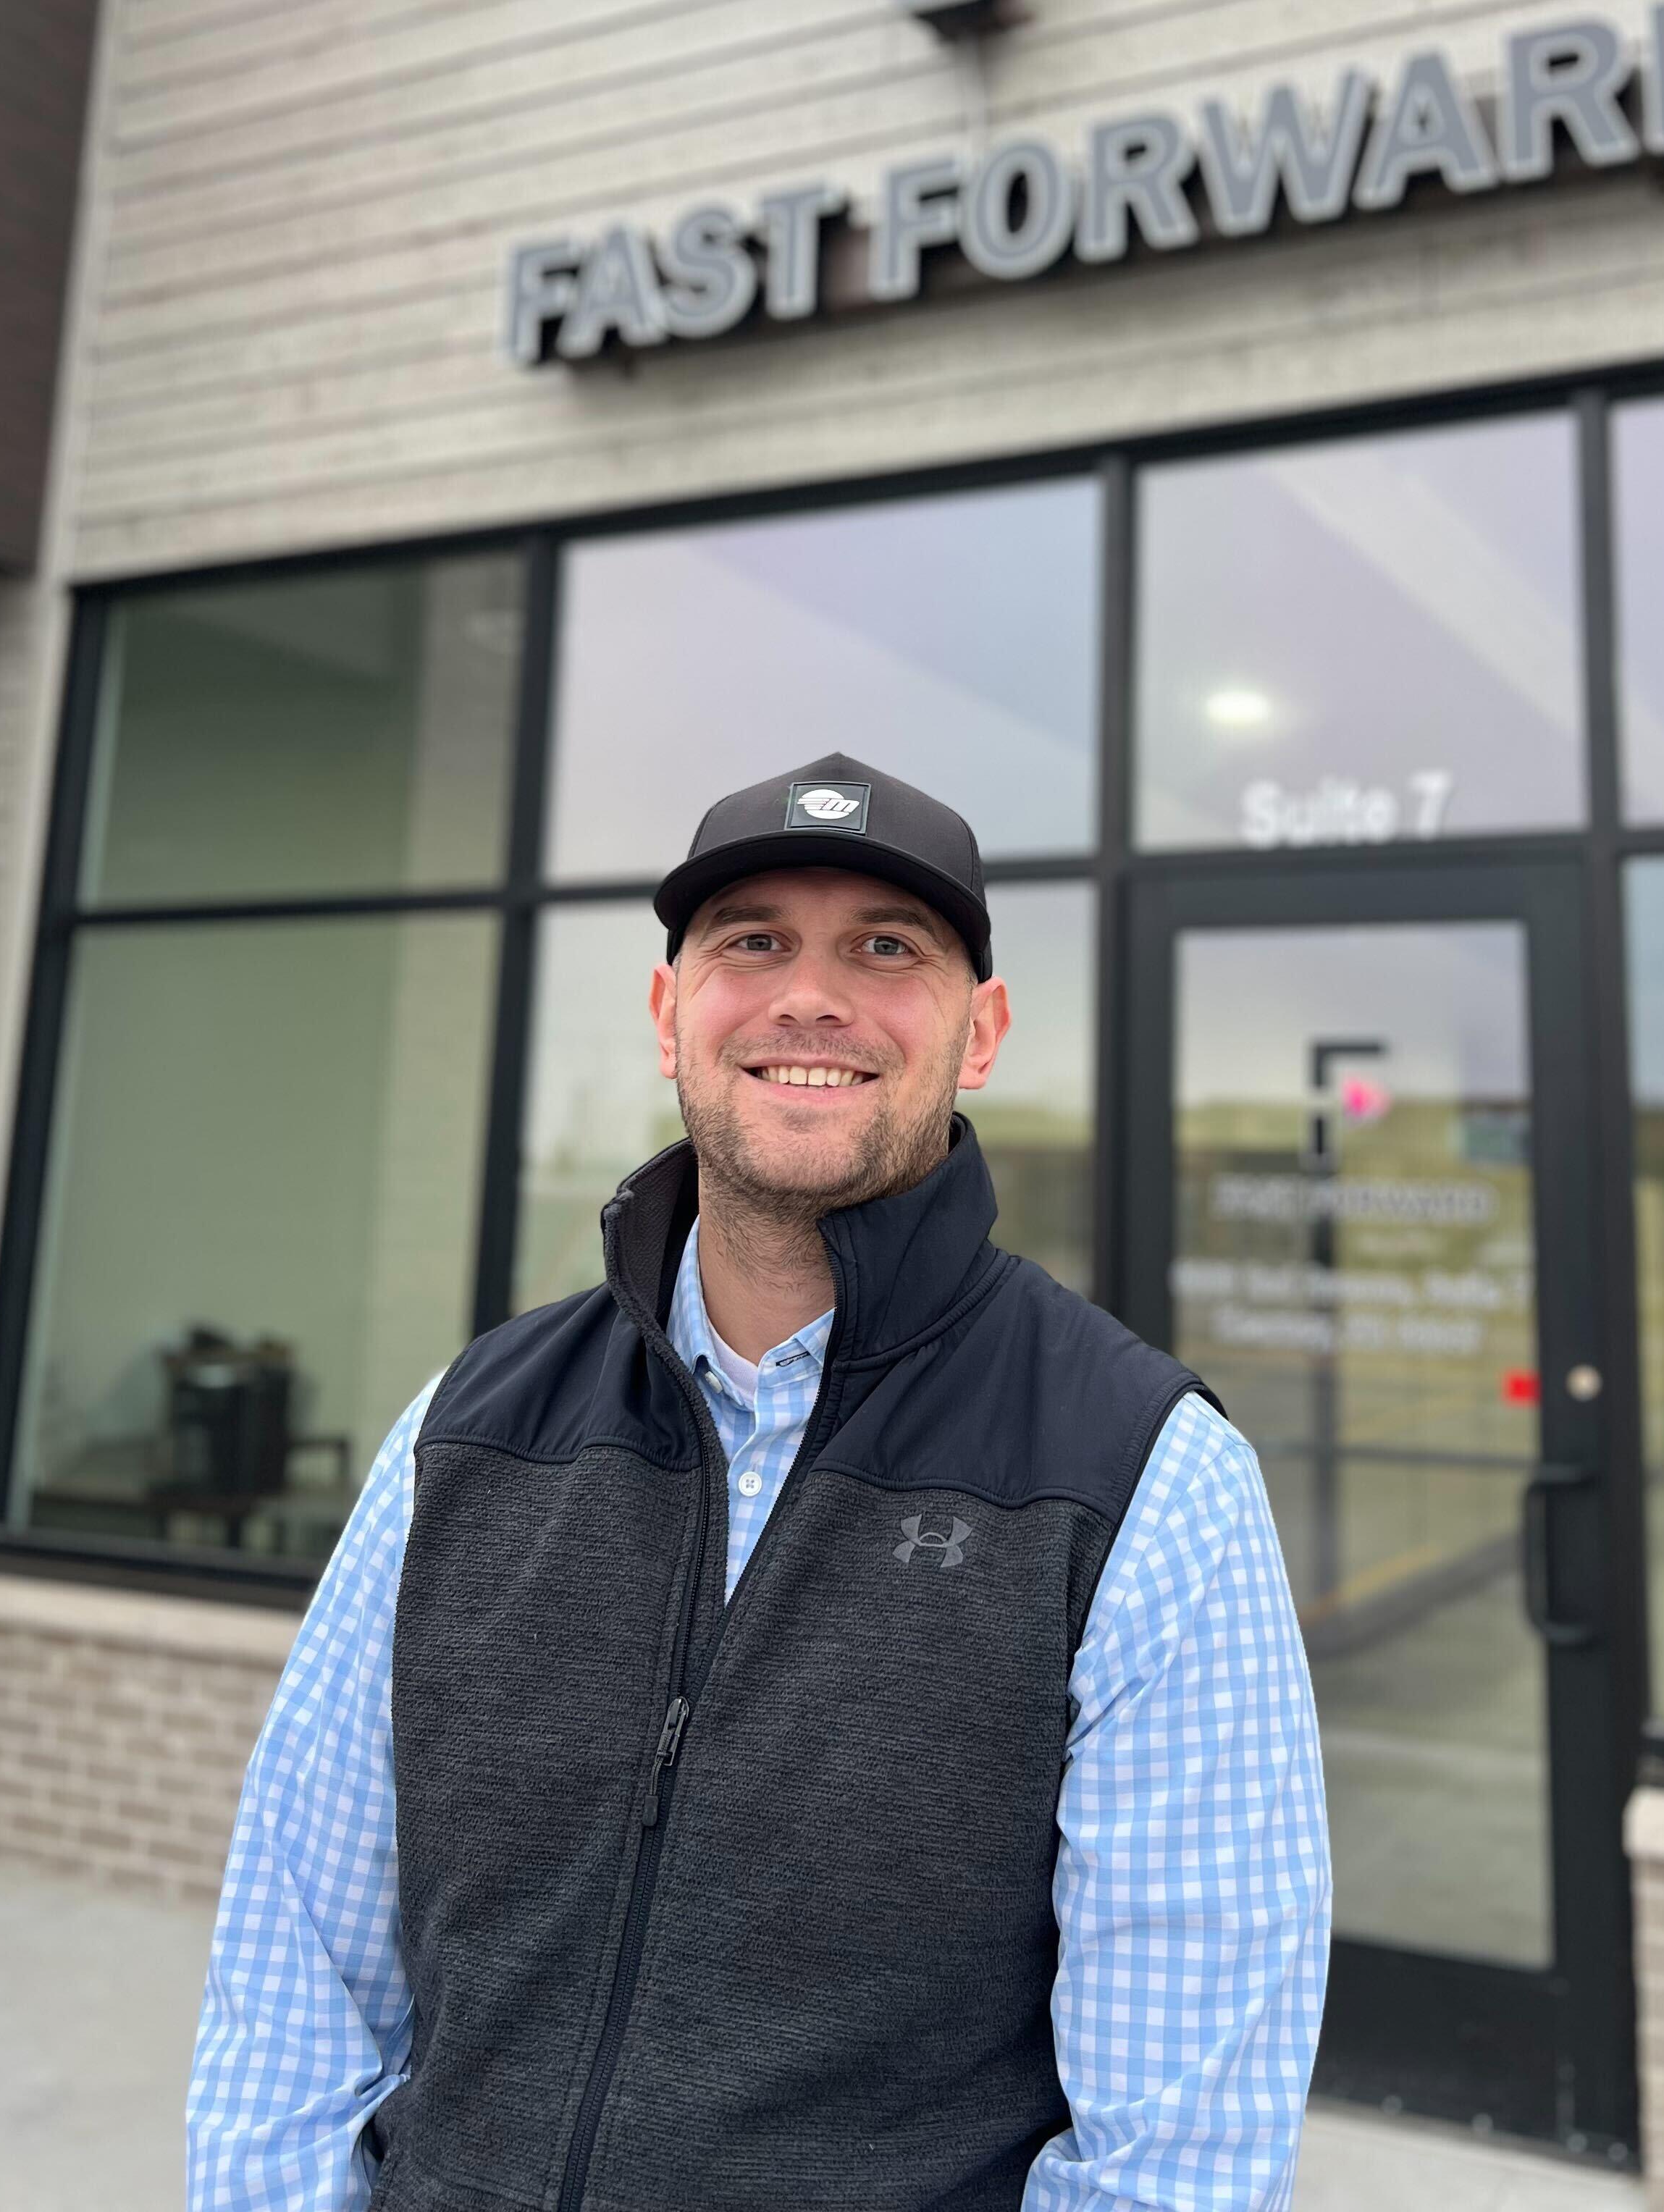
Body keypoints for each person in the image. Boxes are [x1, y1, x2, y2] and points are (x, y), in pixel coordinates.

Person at [188, 753, 1331, 2211]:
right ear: (671, 1012)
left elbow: (1177, 2156)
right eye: (754, 941)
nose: (811, 997)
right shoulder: (467, 1429)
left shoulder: (1142, 1478)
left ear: (981, 1033)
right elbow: (299, 1977)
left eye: (887, 948)